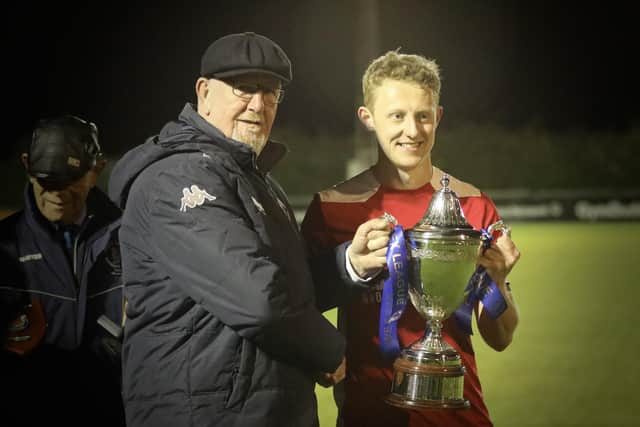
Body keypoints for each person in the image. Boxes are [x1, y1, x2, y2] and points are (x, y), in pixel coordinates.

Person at [107, 32, 389, 427]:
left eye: (271, 92)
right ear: (204, 93)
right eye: (244, 88)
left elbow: (287, 287)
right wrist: (329, 349)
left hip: (265, 410)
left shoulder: (257, 181)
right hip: (201, 414)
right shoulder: (177, 177)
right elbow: (260, 301)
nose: (258, 104)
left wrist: (348, 265)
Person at [301, 51, 521, 427]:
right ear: (367, 118)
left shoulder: (471, 204)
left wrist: (498, 281)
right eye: (397, 116)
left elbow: (500, 337)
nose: (413, 130)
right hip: (369, 414)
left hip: (458, 415)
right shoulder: (331, 207)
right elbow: (295, 309)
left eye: (423, 115)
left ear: (437, 117)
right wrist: (322, 354)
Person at [0, 114, 125, 427]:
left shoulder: (132, 239)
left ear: (96, 170)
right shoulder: (2, 248)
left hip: (114, 412)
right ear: (27, 166)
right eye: (46, 180)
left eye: (68, 181)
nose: (56, 192)